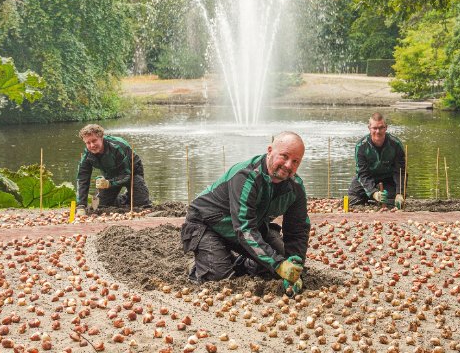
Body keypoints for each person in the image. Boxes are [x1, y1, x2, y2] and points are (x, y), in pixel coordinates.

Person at [181, 132, 310, 294]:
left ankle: (240, 262)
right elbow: (244, 229)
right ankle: (202, 264)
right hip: (207, 224)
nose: (288, 165)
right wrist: (278, 264)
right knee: (219, 278)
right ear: (270, 151)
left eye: (295, 161)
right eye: (284, 156)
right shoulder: (246, 176)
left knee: (278, 265)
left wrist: (295, 264)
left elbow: (298, 230)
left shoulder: (296, 187)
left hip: (248, 227)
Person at [75, 124, 152, 216]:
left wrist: (109, 183)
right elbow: (82, 178)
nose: (92, 145)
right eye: (88, 143)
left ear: (101, 137)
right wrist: (81, 205)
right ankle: (123, 199)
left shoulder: (118, 146)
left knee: (142, 204)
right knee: (101, 206)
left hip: (132, 173)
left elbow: (126, 175)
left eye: (94, 141)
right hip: (110, 175)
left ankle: (133, 195)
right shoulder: (87, 154)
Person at [348, 112, 406, 208]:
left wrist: (400, 193)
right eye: (374, 128)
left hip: (388, 179)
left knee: (393, 201)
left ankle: (382, 199)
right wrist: (373, 193)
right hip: (368, 177)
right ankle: (373, 198)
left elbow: (400, 172)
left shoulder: (396, 144)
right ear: (369, 128)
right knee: (353, 198)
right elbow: (362, 174)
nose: (378, 131)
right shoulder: (361, 146)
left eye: (381, 127)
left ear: (386, 127)